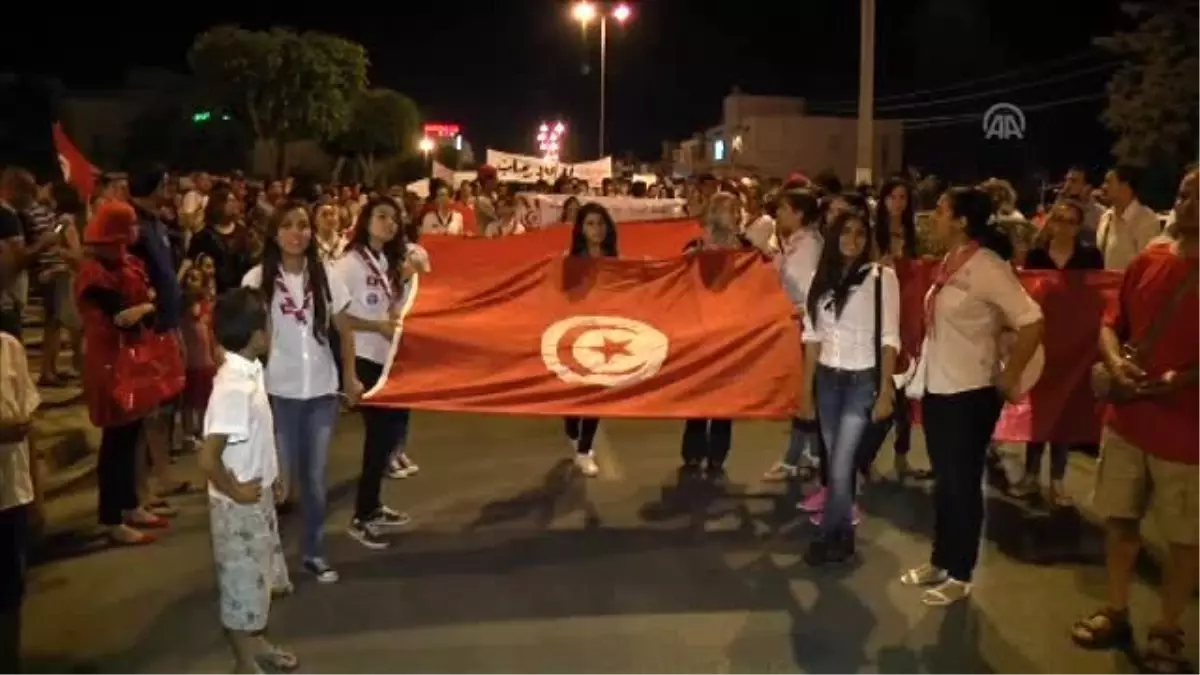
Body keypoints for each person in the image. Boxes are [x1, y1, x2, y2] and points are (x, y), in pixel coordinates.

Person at [1071, 168, 1200, 672]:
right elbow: (1111, 322)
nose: (1186, 204)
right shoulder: (1149, 260)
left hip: (1188, 434)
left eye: (1197, 197)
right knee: (1120, 522)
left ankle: (1168, 630)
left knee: (1185, 540)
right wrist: (1115, 360)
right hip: (1128, 422)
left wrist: (1182, 380)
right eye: (1183, 193)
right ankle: (1117, 609)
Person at [899, 187, 1044, 606]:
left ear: (962, 221)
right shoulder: (949, 263)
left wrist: (1010, 375)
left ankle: (961, 573)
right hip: (940, 389)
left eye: (942, 212)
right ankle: (941, 560)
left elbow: (1032, 321)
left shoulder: (988, 266)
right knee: (946, 483)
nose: (933, 218)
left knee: (963, 484)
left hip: (972, 392)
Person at [242, 201, 361, 583]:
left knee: (315, 477)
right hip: (278, 393)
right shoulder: (257, 279)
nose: (298, 233)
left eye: (304, 226)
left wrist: (351, 377)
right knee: (279, 483)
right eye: (289, 226)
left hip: (322, 390)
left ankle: (313, 551)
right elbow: (243, 338)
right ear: (275, 233)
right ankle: (267, 558)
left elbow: (344, 331)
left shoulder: (324, 275)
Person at [199, 287, 296, 674]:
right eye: (270, 324)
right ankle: (243, 661)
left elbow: (258, 434)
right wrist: (235, 490)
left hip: (257, 497)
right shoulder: (232, 388)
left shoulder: (251, 370)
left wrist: (275, 475)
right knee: (242, 585)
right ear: (257, 334)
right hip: (237, 508)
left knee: (257, 580)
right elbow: (208, 458)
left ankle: (256, 645)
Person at [799, 211, 900, 565]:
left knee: (841, 464)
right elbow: (811, 337)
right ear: (833, 236)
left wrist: (885, 389)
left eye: (860, 234)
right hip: (827, 379)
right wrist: (804, 390)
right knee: (835, 461)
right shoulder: (819, 278)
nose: (852, 240)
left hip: (862, 381)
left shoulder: (881, 278)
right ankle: (844, 538)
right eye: (845, 233)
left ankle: (828, 535)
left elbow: (889, 338)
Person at [333, 197, 415, 550]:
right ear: (366, 221)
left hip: (390, 358)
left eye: (394, 219)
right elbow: (337, 316)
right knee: (378, 438)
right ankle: (361, 516)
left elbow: (394, 306)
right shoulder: (348, 264)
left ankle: (373, 506)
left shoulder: (389, 262)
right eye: (382, 217)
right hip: (365, 357)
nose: (389, 223)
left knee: (392, 434)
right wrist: (375, 326)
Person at [562, 203, 619, 477]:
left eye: (600, 223)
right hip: (575, 333)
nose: (596, 229)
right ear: (581, 229)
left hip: (604, 333)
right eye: (590, 224)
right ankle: (573, 433)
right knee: (572, 396)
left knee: (596, 393)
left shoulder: (615, 259)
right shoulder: (571, 260)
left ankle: (584, 451)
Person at [0, 326, 42, 675]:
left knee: (11, 595)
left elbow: (30, 428)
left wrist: (36, 495)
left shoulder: (9, 347)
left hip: (11, 490)